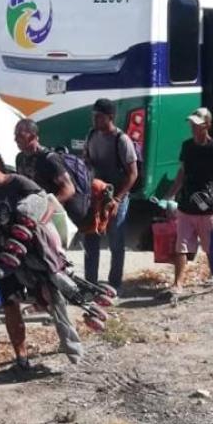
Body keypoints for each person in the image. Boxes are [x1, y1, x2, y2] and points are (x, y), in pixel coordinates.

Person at [0, 146, 84, 370]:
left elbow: (48, 204)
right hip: (4, 258)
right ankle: (21, 358)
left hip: (33, 254)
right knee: (10, 305)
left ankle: (71, 346)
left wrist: (32, 226)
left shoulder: (19, 184)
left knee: (52, 299)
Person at [162, 108, 213, 293]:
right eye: (192, 124)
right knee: (182, 245)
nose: (193, 128)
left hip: (208, 207)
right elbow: (182, 173)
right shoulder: (187, 146)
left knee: (211, 247)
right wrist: (170, 195)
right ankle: (178, 283)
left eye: (197, 125)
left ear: (207, 126)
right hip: (186, 205)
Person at [82, 99, 138, 291]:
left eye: (99, 116)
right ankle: (90, 284)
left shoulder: (122, 140)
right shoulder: (91, 134)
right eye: (93, 116)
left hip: (116, 198)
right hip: (95, 196)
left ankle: (114, 284)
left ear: (110, 117)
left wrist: (117, 200)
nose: (95, 120)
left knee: (116, 241)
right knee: (90, 240)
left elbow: (133, 174)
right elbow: (86, 161)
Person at [13, 118, 89, 225]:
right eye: (15, 135)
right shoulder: (20, 159)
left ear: (33, 137)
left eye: (20, 135)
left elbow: (69, 189)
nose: (15, 139)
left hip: (55, 216)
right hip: (33, 214)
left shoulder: (49, 160)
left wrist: (50, 205)